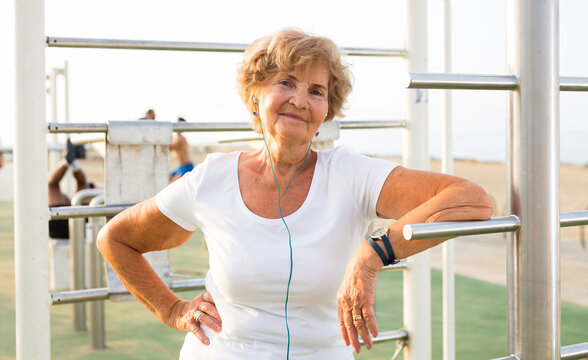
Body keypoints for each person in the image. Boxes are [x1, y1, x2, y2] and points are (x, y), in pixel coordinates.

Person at [97, 29, 493, 359]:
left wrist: (374, 254)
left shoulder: (350, 173)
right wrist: (172, 308)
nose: (301, 100)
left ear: (326, 112)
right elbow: (115, 238)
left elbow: (471, 199)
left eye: (316, 91)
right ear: (256, 97)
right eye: (286, 82)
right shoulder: (211, 178)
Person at [48, 140, 93, 239]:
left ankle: (69, 161)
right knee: (82, 186)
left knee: (52, 186)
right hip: (79, 224)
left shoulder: (61, 203)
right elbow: (82, 183)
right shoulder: (75, 201)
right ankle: (73, 162)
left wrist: (67, 162)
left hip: (59, 225)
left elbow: (53, 183)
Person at [169, 117, 195, 182]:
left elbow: (169, 148)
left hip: (187, 166)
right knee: (168, 177)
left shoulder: (180, 139)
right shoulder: (177, 138)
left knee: (176, 181)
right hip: (181, 166)